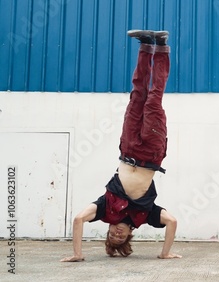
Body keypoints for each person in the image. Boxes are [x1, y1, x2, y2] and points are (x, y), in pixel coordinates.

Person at [61, 30, 181, 262]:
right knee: (154, 98)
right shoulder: (146, 216)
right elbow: (172, 222)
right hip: (151, 153)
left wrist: (78, 254)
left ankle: (146, 44)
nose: (116, 233)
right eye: (119, 238)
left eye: (111, 235)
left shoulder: (104, 209)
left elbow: (78, 220)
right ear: (129, 235)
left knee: (137, 95)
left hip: (127, 149)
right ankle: (163, 46)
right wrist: (165, 253)